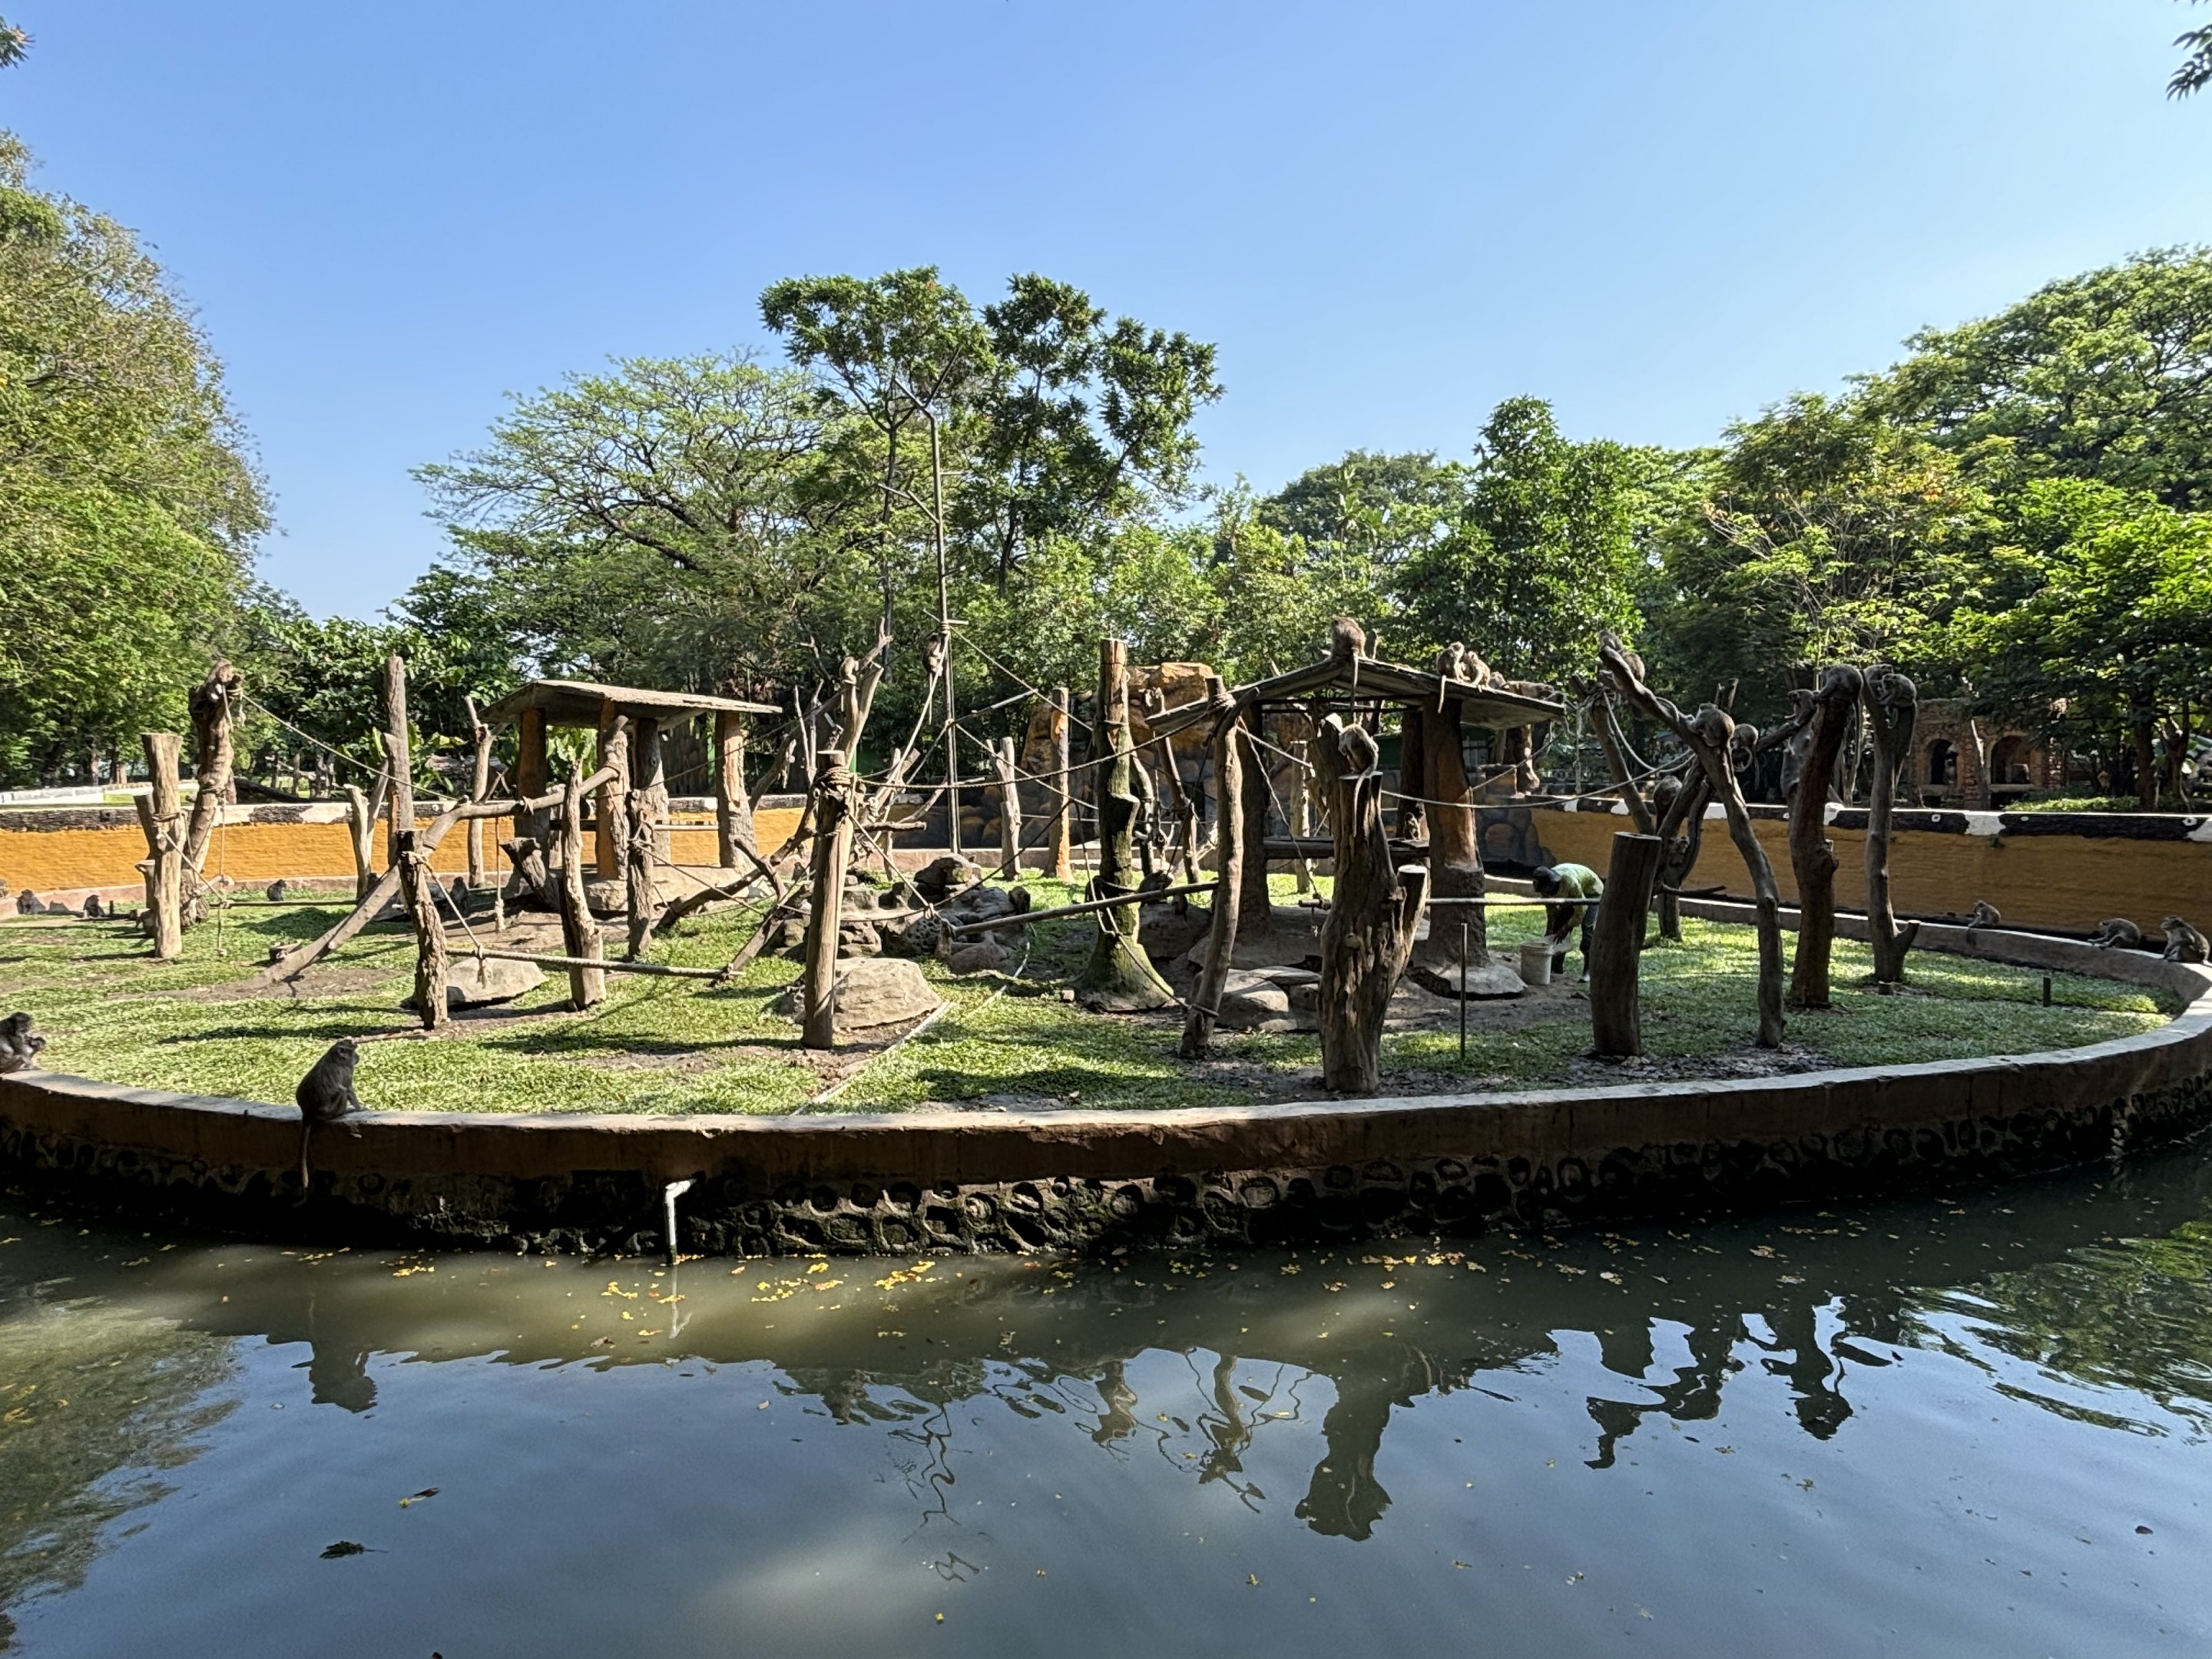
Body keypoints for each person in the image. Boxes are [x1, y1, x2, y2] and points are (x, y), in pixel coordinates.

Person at [1530, 863, 1603, 978]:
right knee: (1557, 929)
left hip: (1591, 894)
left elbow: (1581, 909)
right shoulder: (1543, 887)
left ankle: (1588, 970)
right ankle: (1556, 967)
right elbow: (1551, 910)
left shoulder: (1570, 882)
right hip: (1570, 898)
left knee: (1587, 929)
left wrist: (1566, 928)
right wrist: (1550, 931)